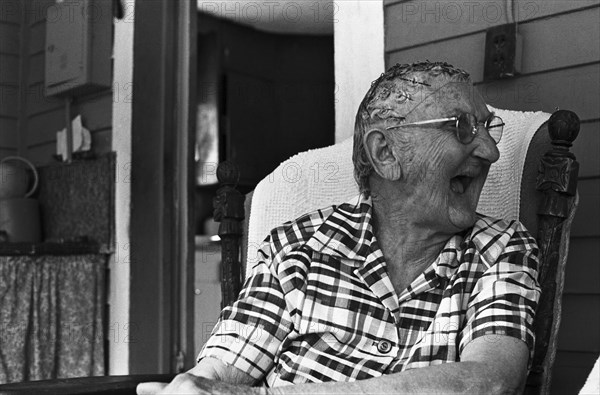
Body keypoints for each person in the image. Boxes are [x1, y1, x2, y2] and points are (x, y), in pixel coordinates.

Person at [138, 61, 540, 394]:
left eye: (489, 127)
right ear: (385, 153)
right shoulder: (295, 246)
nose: (490, 150)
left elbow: (488, 382)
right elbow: (220, 372)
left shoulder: (501, 250)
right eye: (463, 127)